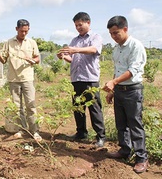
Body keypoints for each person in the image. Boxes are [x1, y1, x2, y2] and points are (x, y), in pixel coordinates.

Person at [102, 15, 148, 173]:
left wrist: (113, 82)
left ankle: (141, 158)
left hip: (132, 91)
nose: (114, 36)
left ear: (125, 29)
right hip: (120, 91)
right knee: (121, 124)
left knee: (135, 124)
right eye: (111, 34)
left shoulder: (136, 46)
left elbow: (132, 71)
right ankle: (124, 151)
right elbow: (118, 70)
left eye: (116, 33)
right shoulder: (116, 49)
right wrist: (113, 90)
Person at [57, 12, 106, 147]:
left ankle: (100, 136)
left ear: (88, 23)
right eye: (76, 25)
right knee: (78, 107)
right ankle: (81, 132)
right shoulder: (75, 40)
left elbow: (93, 50)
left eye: (80, 24)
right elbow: (72, 59)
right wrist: (63, 56)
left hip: (89, 79)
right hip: (76, 79)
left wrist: (76, 50)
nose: (78, 27)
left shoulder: (95, 37)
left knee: (94, 108)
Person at [0, 19, 42, 142]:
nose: (24, 33)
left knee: (31, 105)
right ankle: (21, 129)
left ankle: (35, 131)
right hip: (13, 79)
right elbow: (3, 60)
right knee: (17, 106)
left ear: (28, 30)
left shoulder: (32, 43)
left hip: (27, 79)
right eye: (21, 31)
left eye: (26, 31)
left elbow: (37, 59)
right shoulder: (9, 42)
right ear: (16, 29)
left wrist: (32, 60)